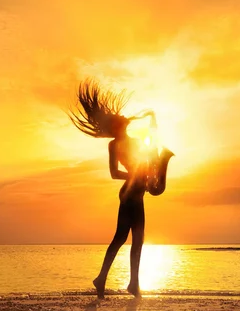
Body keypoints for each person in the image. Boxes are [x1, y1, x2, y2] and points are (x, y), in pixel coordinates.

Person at [68, 80, 173, 299]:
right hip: (128, 194)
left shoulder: (135, 141)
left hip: (138, 192)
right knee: (120, 238)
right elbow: (115, 173)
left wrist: (153, 155)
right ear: (116, 126)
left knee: (138, 239)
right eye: (121, 120)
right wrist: (136, 175)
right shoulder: (114, 145)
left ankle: (133, 282)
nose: (125, 119)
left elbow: (145, 157)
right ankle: (103, 278)